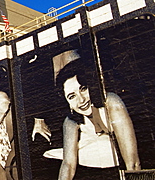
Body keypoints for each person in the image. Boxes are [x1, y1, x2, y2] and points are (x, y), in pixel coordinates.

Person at [44, 49, 140, 180]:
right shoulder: (71, 121)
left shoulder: (111, 102)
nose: (81, 100)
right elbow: (68, 165)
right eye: (72, 96)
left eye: (83, 89)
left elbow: (133, 164)